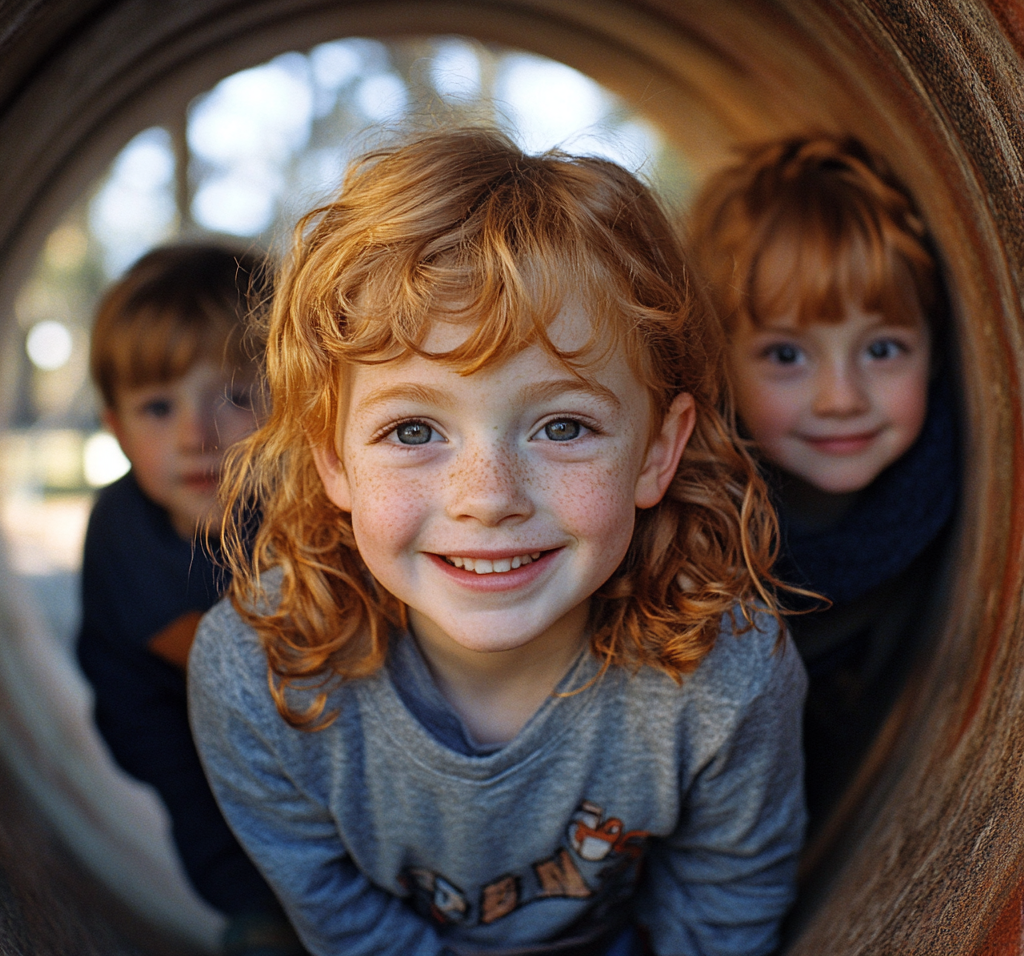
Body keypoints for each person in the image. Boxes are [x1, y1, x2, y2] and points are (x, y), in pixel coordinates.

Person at [188, 128, 807, 956]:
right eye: (413, 429)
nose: (488, 499)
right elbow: (345, 925)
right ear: (333, 458)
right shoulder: (260, 675)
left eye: (562, 425)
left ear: (658, 451)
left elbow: (722, 914)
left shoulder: (726, 674)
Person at [688, 135, 959, 824]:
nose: (841, 397)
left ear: (934, 354)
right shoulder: (694, 528)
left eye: (882, 348)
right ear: (722, 364)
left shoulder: (944, 499)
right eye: (786, 353)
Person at [77, 245, 303, 956]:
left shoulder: (312, 519)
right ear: (115, 428)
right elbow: (126, 691)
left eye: (235, 396)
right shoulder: (120, 537)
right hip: (215, 788)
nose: (195, 436)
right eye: (157, 406)